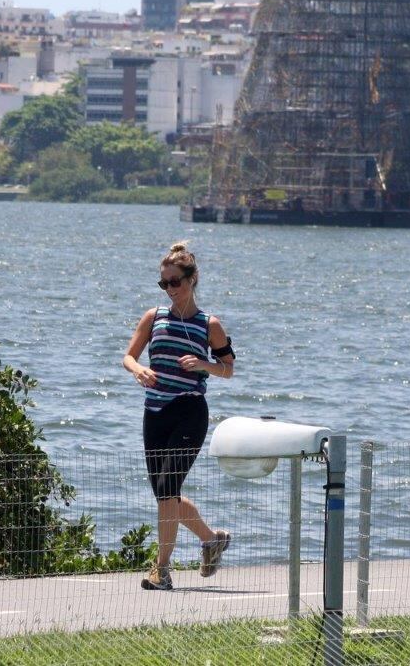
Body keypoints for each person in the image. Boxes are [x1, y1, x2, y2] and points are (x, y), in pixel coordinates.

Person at [123, 241, 236, 591]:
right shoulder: (153, 316)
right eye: (164, 283)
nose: (170, 289)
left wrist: (203, 364)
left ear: (192, 279)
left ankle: (161, 569)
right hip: (155, 412)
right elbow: (128, 356)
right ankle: (211, 539)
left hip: (189, 410)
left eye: (176, 282)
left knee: (169, 487)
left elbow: (228, 369)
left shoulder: (209, 324)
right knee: (164, 495)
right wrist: (138, 370)